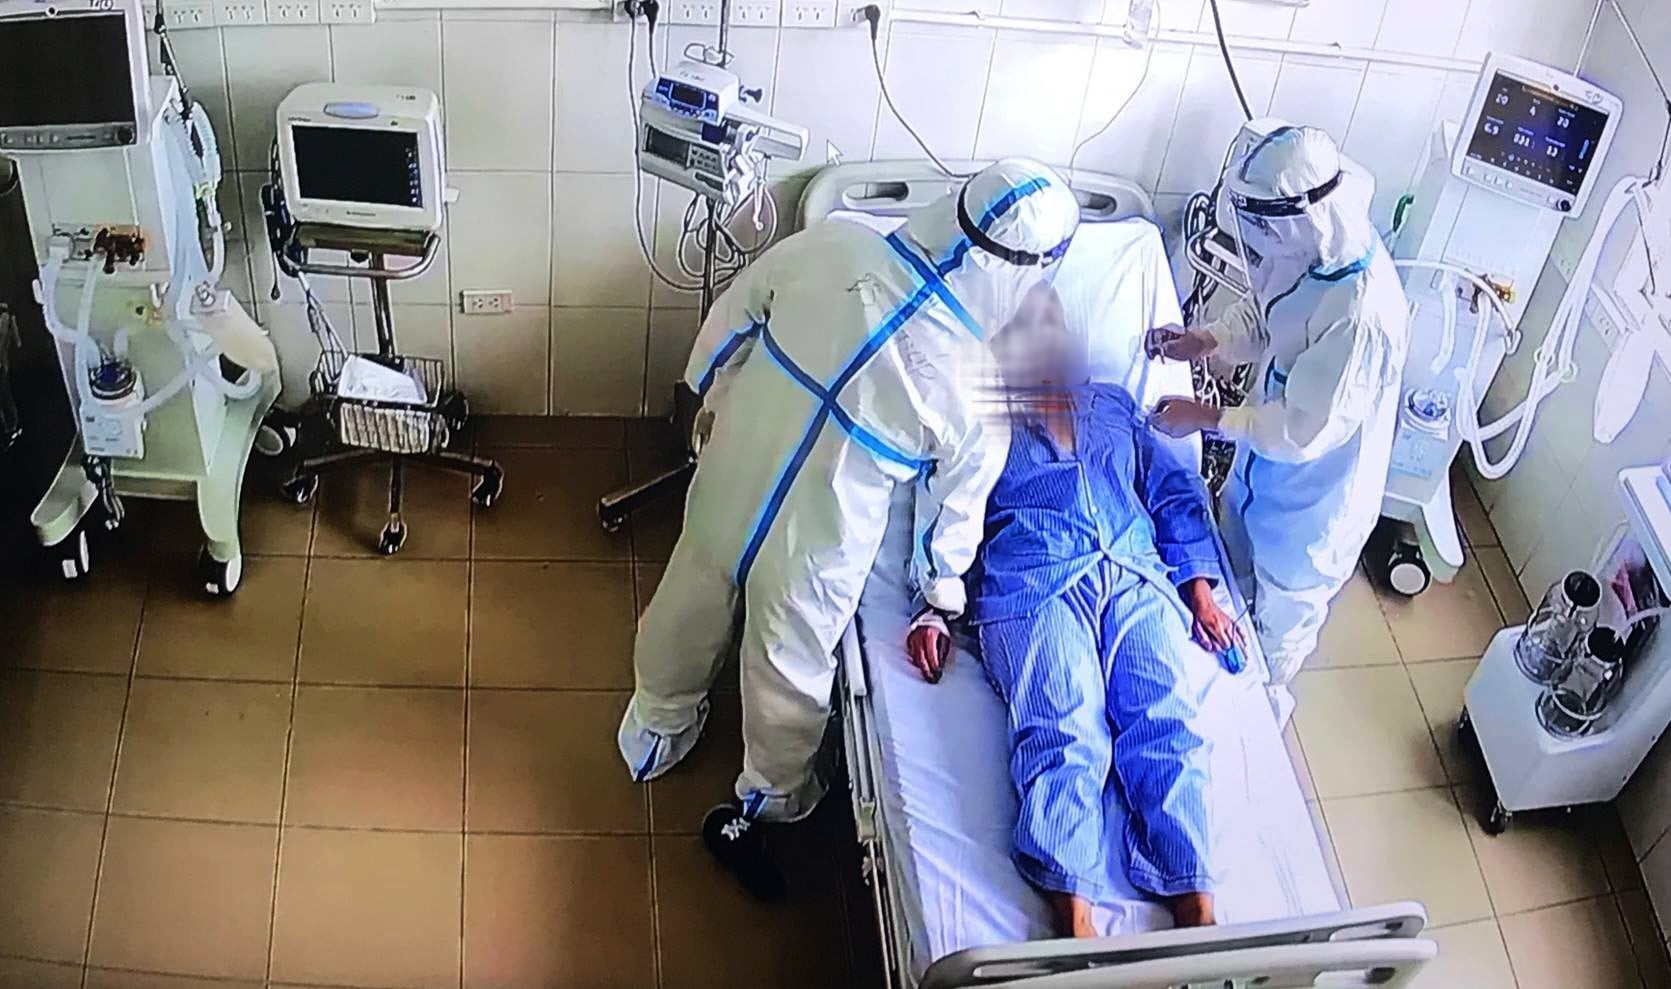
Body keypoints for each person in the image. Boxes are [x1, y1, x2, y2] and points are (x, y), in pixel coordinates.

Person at [618, 159, 1082, 898]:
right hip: (824, 531)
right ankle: (774, 791)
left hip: (737, 464)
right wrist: (938, 596)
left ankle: (656, 721)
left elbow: (734, 315)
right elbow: (951, 512)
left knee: (691, 591)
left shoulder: (833, 244)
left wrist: (704, 389)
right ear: (1028, 275)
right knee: (790, 657)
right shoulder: (974, 389)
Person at [906, 284, 1237, 936]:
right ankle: (1074, 921)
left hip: (1135, 575)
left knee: (1164, 720)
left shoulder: (1113, 406)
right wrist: (934, 607)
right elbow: (948, 513)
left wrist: (1199, 589)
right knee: (1066, 728)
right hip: (1033, 584)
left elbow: (1173, 494)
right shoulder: (981, 422)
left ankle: (1195, 908)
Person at [1147, 125, 1409, 724]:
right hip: (1258, 478)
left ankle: (1255, 723)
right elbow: (1269, 311)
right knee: (1225, 576)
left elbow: (1300, 432)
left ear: (1296, 217)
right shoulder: (1309, 249)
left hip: (1310, 515)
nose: (1261, 248)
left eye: (1266, 233)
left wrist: (1204, 417)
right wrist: (1206, 339)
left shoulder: (1361, 317)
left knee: (1269, 642)